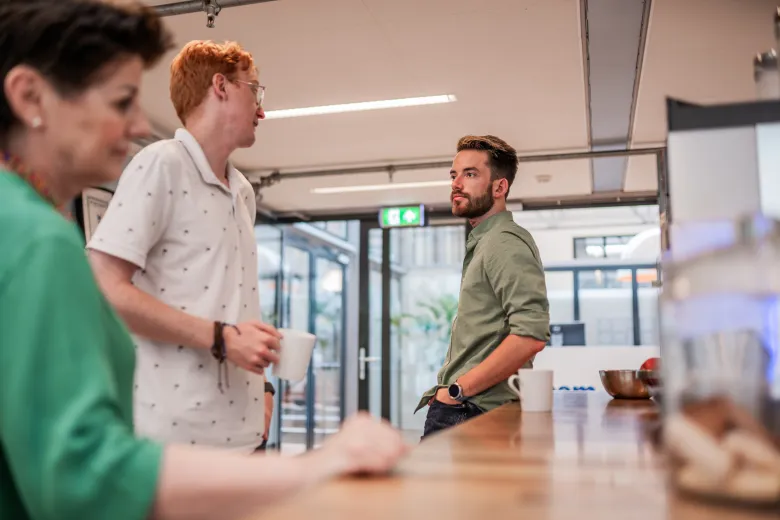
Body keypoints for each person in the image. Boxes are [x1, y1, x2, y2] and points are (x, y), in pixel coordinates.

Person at [0, 2, 406, 520]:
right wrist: (317, 465)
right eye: (123, 100)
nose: (140, 122)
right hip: (174, 439)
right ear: (29, 96)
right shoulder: (37, 239)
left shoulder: (32, 223)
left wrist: (258, 384)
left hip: (226, 433)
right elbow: (84, 474)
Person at [87, 39, 278, 453]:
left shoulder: (242, 189)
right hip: (173, 440)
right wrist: (222, 338)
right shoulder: (161, 164)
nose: (262, 110)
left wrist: (265, 388)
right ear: (221, 86)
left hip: (242, 436)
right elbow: (103, 289)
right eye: (255, 91)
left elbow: (233, 305)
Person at [416, 135, 551, 438]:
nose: (456, 183)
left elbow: (531, 334)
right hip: (469, 406)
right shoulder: (486, 241)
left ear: (500, 187)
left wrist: (457, 390)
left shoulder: (502, 242)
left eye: (471, 174)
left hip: (471, 408)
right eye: (454, 174)